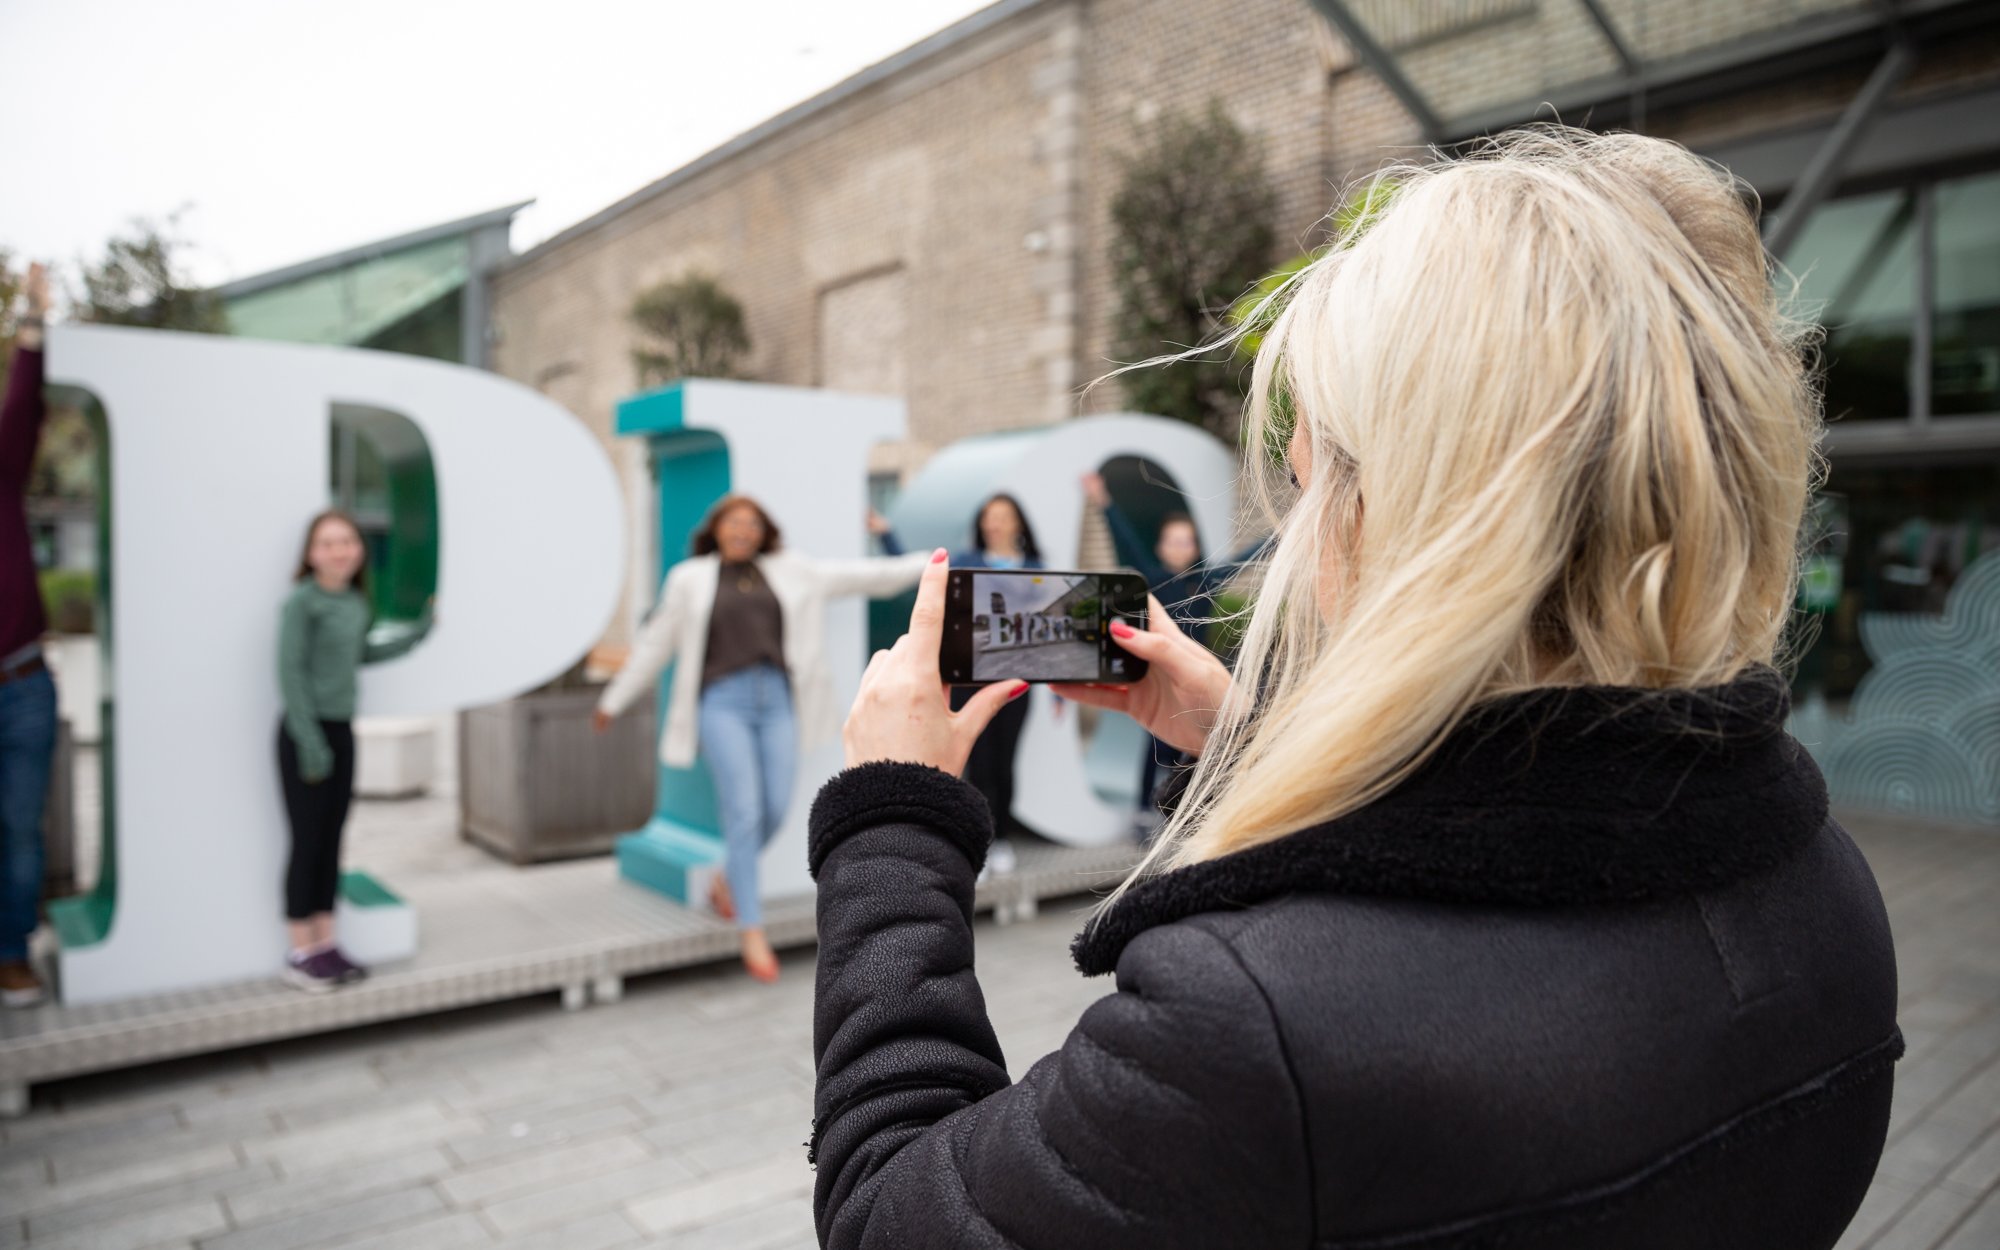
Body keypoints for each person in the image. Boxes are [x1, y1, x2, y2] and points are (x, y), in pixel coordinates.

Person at [803, 129, 1899, 1248]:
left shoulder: (1248, 1021)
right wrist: (1238, 739)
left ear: (1409, 511)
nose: (1295, 513)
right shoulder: (1824, 887)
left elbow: (890, 1212)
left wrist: (892, 822)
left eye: (1310, 464)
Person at [595, 494, 927, 982]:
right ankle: (751, 926)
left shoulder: (793, 569)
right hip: (721, 703)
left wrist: (932, 562)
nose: (743, 531)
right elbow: (656, 644)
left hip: (776, 701)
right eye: (734, 522)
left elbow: (867, 576)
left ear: (763, 531)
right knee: (744, 810)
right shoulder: (690, 579)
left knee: (774, 806)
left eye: (752, 523)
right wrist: (614, 700)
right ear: (718, 528)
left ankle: (727, 878)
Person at [277, 510, 424, 992]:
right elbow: (290, 674)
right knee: (307, 842)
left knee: (332, 840)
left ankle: (328, 944)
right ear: (311, 553)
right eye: (328, 543)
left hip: (342, 731)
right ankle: (300, 951)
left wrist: (415, 634)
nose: (339, 551)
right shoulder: (302, 603)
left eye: (347, 541)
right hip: (306, 733)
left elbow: (360, 653)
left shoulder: (355, 602)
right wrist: (310, 743)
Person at [1081, 472, 1268, 824]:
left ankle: (1189, 811)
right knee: (1154, 746)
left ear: (1194, 547)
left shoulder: (1206, 580)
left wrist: (1281, 534)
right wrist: (1102, 500)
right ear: (1161, 547)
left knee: (1192, 746)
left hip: (1195, 676)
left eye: (1186, 542)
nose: (1180, 548)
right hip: (1161, 676)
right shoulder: (1153, 578)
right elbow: (1127, 540)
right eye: (1173, 541)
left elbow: (1246, 557)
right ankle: (1142, 811)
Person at [881, 494, 1044, 854]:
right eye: (988, 516)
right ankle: (979, 844)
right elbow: (925, 579)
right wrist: (886, 535)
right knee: (977, 765)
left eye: (1002, 516)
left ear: (1017, 523)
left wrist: (1061, 689)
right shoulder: (967, 562)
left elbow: (1047, 630)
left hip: (1016, 682)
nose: (994, 523)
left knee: (1005, 763)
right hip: (971, 679)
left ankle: (1001, 841)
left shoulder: (1035, 567)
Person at [1, 263, 54, 1008]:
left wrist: (30, 320)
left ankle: (11, 954)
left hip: (23, 684)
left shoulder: (0, 475)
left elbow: (21, 405)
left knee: (20, 835)